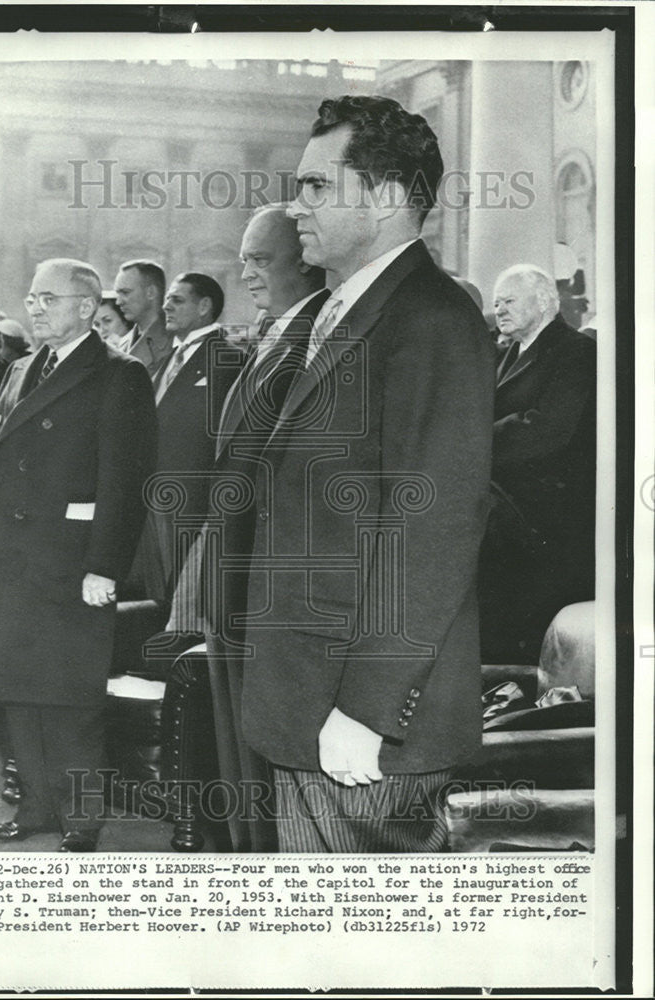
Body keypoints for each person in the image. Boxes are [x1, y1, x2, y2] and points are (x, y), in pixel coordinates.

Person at [238, 95, 495, 852]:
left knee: (359, 956)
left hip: (360, 726)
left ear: (383, 198)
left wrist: (368, 709)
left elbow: (434, 531)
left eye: (317, 185)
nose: (297, 206)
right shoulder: (346, 307)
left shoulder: (431, 320)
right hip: (311, 700)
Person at [0, 258, 157, 852]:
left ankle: (81, 821)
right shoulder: (21, 368)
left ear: (85, 307)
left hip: (74, 563)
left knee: (73, 698)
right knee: (19, 693)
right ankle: (33, 810)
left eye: (47, 298)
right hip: (14, 560)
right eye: (31, 297)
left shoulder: (118, 373)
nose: (34, 307)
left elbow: (124, 482)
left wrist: (104, 566)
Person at [205, 203, 329, 851]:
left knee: (270, 761)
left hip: (268, 585)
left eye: (261, 260)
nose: (245, 274)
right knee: (239, 751)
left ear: (305, 262)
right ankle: (252, 867)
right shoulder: (275, 331)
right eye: (243, 259)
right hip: (234, 574)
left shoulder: (317, 339)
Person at [479, 264, 596, 663]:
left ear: (545, 301)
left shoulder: (576, 351)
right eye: (496, 303)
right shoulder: (507, 352)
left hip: (546, 514)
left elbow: (546, 430)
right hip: (506, 501)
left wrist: (474, 443)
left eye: (509, 301)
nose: (500, 311)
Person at [141, 272, 244, 611]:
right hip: (157, 499)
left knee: (189, 597)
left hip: (194, 503)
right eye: (167, 299)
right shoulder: (170, 357)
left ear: (204, 307)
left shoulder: (228, 359)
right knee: (163, 594)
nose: (165, 306)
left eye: (177, 300)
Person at [114, 259, 171, 376]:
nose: (118, 302)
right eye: (118, 294)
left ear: (151, 292)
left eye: (125, 292)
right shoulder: (123, 343)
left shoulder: (176, 342)